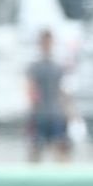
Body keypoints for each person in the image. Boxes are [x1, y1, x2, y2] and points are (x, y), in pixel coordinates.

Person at [26, 29, 71, 162]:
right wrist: (32, 110)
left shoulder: (57, 66)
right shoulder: (35, 67)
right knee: (36, 149)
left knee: (61, 147)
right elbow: (31, 89)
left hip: (56, 113)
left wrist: (69, 111)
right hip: (40, 113)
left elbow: (62, 90)